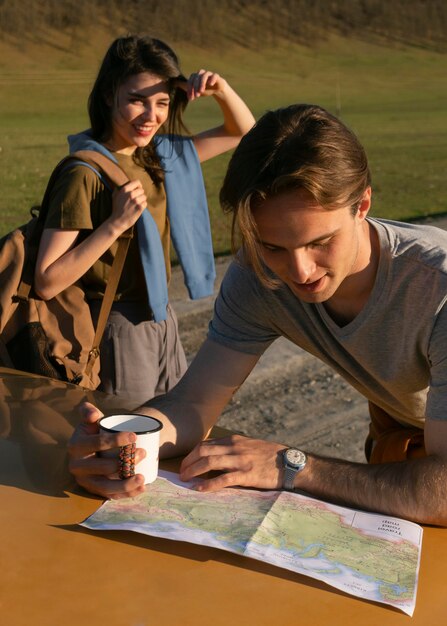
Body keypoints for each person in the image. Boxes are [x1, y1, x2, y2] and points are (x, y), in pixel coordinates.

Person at [68, 103, 447, 526]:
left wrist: (294, 466)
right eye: (273, 247)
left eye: (320, 242)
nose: (300, 272)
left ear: (362, 204)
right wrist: (133, 442)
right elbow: (194, 402)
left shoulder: (438, 288)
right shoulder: (259, 274)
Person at [34, 34, 255, 406]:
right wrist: (114, 225)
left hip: (161, 314)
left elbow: (241, 131)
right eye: (137, 100)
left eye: (162, 102)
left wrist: (220, 89)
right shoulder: (84, 174)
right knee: (126, 442)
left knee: (171, 430)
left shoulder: (158, 156)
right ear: (109, 96)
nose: (150, 116)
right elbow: (46, 280)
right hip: (115, 324)